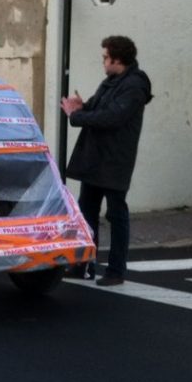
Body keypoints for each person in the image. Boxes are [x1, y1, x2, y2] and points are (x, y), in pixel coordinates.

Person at [60, 35, 153, 286]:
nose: (103, 62)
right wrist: (82, 106)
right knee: (86, 212)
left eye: (105, 57)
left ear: (117, 59)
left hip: (115, 161)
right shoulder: (112, 82)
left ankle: (115, 270)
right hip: (96, 159)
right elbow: (97, 107)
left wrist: (76, 117)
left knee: (116, 215)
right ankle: (83, 265)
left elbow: (113, 117)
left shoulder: (134, 86)